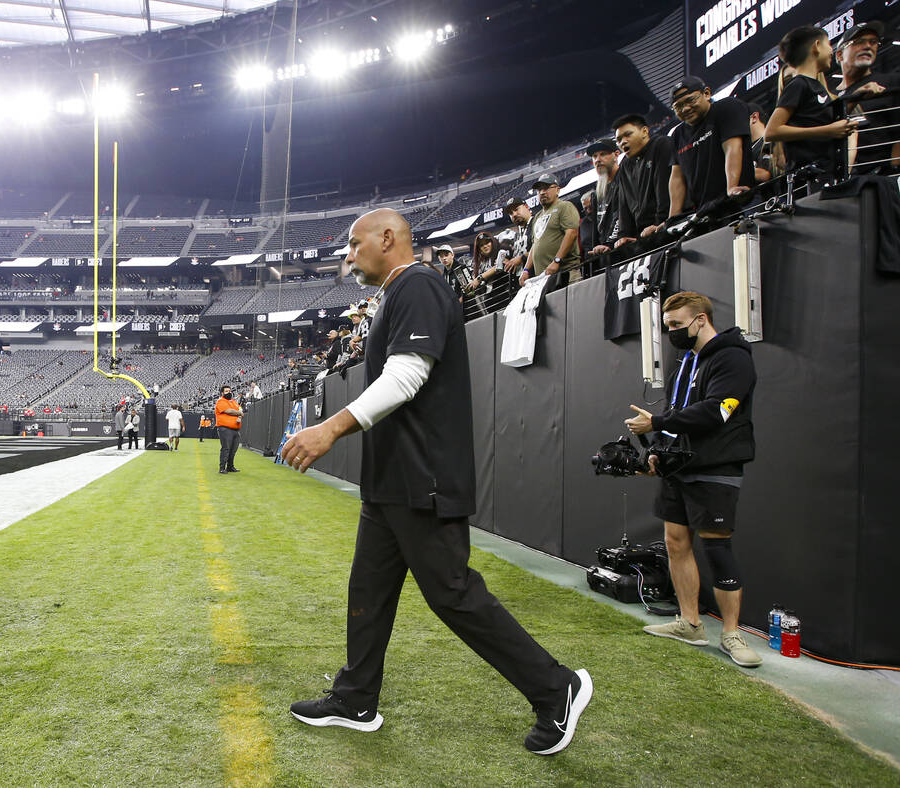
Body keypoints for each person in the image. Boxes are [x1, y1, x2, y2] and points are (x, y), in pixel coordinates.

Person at [281, 208, 591, 755]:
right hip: (392, 481)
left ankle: (555, 687)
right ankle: (356, 699)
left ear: (387, 238)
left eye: (354, 245)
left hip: (423, 477)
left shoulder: (419, 284)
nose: (348, 257)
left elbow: (407, 376)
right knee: (369, 591)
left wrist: (330, 427)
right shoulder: (395, 295)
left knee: (452, 595)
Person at [624, 291, 761, 668]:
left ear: (700, 320)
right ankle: (690, 623)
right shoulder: (686, 362)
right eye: (668, 326)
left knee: (718, 548)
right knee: (675, 542)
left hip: (716, 468)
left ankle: (732, 634)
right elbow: (675, 411)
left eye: (676, 325)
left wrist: (659, 422)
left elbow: (716, 412)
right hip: (678, 468)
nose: (671, 333)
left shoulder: (733, 358)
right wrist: (656, 450)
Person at [765, 25, 857, 175]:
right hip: (810, 180)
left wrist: (859, 94)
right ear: (817, 46)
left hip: (827, 173)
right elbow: (772, 131)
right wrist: (827, 131)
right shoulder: (799, 84)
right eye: (828, 44)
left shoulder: (816, 87)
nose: (831, 51)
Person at [666, 76, 755, 217]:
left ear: (706, 93)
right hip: (706, 213)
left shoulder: (726, 107)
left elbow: (732, 148)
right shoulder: (677, 134)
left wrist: (732, 187)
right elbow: (677, 176)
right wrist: (673, 217)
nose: (685, 109)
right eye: (678, 107)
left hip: (740, 202)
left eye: (690, 100)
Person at [835, 21, 899, 173]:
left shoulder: (892, 82)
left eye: (873, 42)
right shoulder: (830, 96)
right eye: (859, 42)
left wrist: (895, 173)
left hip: (883, 177)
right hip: (846, 180)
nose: (868, 46)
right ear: (839, 55)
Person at [611, 113, 674, 247]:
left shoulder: (661, 145)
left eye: (628, 135)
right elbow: (624, 206)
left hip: (666, 227)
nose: (622, 142)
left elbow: (665, 189)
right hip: (643, 236)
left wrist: (660, 223)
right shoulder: (625, 165)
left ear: (644, 131)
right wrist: (624, 237)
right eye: (619, 139)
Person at [520, 172, 581, 286]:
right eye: (539, 190)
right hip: (543, 278)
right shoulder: (537, 216)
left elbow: (571, 233)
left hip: (565, 272)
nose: (542, 192)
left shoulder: (564, 206)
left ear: (557, 190)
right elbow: (535, 244)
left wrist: (556, 260)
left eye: (547, 188)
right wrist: (526, 270)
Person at [585, 139, 622, 255]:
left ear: (616, 155)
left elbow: (622, 215)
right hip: (605, 254)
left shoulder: (625, 179)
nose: (597, 160)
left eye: (603, 154)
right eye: (594, 156)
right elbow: (597, 228)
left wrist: (610, 243)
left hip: (623, 247)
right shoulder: (596, 193)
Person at [215, 385, 242, 473]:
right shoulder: (220, 401)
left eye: (229, 391)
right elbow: (229, 411)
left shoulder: (233, 401)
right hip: (225, 428)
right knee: (226, 448)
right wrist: (239, 413)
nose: (229, 392)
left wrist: (240, 416)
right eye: (226, 391)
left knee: (233, 449)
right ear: (222, 393)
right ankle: (222, 468)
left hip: (235, 429)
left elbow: (240, 410)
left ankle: (230, 466)